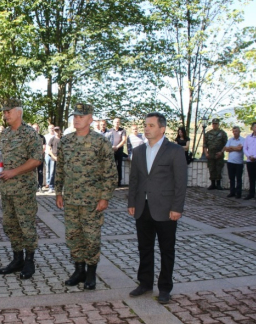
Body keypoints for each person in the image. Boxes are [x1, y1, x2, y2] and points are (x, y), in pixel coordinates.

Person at [128, 112, 187, 304]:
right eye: (145, 125)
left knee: (166, 249)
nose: (146, 128)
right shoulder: (138, 151)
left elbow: (181, 182)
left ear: (162, 129)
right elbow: (134, 180)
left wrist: (177, 207)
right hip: (142, 208)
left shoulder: (175, 151)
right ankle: (145, 283)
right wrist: (131, 202)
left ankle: (165, 288)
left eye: (151, 125)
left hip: (166, 209)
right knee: (144, 248)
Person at [56, 103, 117, 290]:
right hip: (71, 199)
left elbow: (110, 172)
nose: (77, 119)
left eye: (81, 116)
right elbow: (60, 169)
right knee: (73, 236)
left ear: (90, 119)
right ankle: (78, 270)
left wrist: (105, 197)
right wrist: (59, 192)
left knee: (91, 237)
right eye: (75, 116)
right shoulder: (65, 141)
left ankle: (91, 273)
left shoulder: (100, 142)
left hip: (92, 200)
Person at [0, 98, 43, 279]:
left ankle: (29, 260)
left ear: (18, 112)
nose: (5, 114)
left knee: (26, 225)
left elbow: (36, 159)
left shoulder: (30, 134)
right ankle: (17, 258)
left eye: (8, 111)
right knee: (10, 224)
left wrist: (13, 172)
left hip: (23, 189)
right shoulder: (5, 134)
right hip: (6, 189)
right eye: (4, 112)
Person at [203, 118, 228, 190]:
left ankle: (218, 184)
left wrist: (221, 152)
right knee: (211, 168)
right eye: (213, 123)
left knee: (219, 168)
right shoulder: (208, 133)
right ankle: (212, 184)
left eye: (216, 123)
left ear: (218, 124)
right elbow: (205, 145)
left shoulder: (222, 133)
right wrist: (206, 153)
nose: (215, 125)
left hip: (219, 154)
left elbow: (225, 144)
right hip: (210, 154)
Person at [224, 126, 245, 199]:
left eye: (236, 131)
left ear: (239, 132)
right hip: (230, 162)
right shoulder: (230, 140)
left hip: (239, 163)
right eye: (234, 131)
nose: (235, 133)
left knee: (238, 178)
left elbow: (240, 149)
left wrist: (231, 148)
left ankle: (238, 193)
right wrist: (235, 147)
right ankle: (232, 192)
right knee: (231, 178)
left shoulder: (243, 140)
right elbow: (226, 149)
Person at [110, 118, 127, 187]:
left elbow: (124, 140)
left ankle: (118, 181)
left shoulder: (123, 130)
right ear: (113, 123)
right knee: (111, 166)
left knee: (119, 166)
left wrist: (117, 147)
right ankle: (111, 181)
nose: (117, 123)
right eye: (115, 122)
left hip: (119, 151)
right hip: (111, 151)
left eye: (118, 122)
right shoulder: (110, 131)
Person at [32, 123, 46, 192]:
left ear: (38, 129)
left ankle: (40, 186)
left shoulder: (42, 137)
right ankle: (33, 186)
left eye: (37, 128)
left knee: (40, 172)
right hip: (31, 158)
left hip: (40, 157)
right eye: (34, 128)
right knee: (32, 172)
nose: (35, 129)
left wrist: (39, 154)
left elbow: (44, 147)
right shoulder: (30, 137)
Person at [47, 126, 62, 192]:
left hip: (61, 158)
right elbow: (49, 149)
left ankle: (60, 187)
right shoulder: (52, 139)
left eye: (58, 130)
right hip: (53, 158)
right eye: (55, 130)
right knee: (52, 173)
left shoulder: (63, 139)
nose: (56, 132)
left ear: (60, 131)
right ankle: (51, 186)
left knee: (61, 173)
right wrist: (53, 157)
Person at [44, 124, 55, 189]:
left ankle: (51, 183)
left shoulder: (55, 136)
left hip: (53, 155)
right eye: (50, 128)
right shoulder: (45, 136)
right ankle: (47, 183)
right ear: (48, 129)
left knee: (52, 170)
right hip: (47, 155)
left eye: (52, 128)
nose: (51, 129)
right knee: (47, 170)